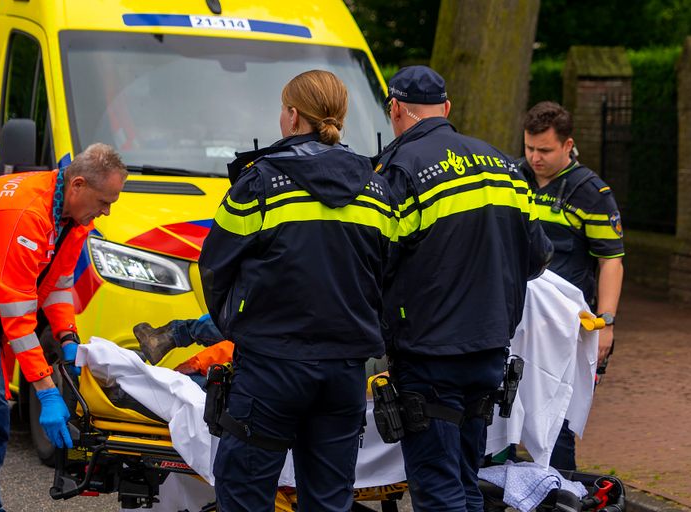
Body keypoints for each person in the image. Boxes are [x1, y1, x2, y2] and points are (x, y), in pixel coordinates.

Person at [198, 70, 397, 512]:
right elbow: (391, 274)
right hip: (344, 371)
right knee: (329, 500)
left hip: (271, 367)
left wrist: (236, 323)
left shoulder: (259, 183)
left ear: (291, 115)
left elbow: (214, 267)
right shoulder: (378, 188)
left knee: (246, 495)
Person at [375, 65, 552, 512]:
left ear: (395, 108)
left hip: (429, 353)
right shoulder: (505, 166)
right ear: (447, 108)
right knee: (466, 481)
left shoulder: (401, 169)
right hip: (490, 349)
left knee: (438, 489)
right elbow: (538, 257)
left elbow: (379, 260)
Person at [0, 143, 127, 511]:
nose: (107, 211)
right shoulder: (24, 213)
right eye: (104, 201)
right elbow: (18, 315)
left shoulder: (71, 218)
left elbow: (58, 283)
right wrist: (46, 390)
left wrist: (67, 336)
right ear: (78, 185)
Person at [521, 101, 624, 470]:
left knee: (558, 422)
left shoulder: (591, 193)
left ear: (568, 145)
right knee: (503, 416)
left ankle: (560, 494)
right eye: (529, 147)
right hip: (519, 322)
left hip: (568, 327)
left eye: (545, 150)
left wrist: (606, 322)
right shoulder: (515, 179)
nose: (535, 157)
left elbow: (610, 259)